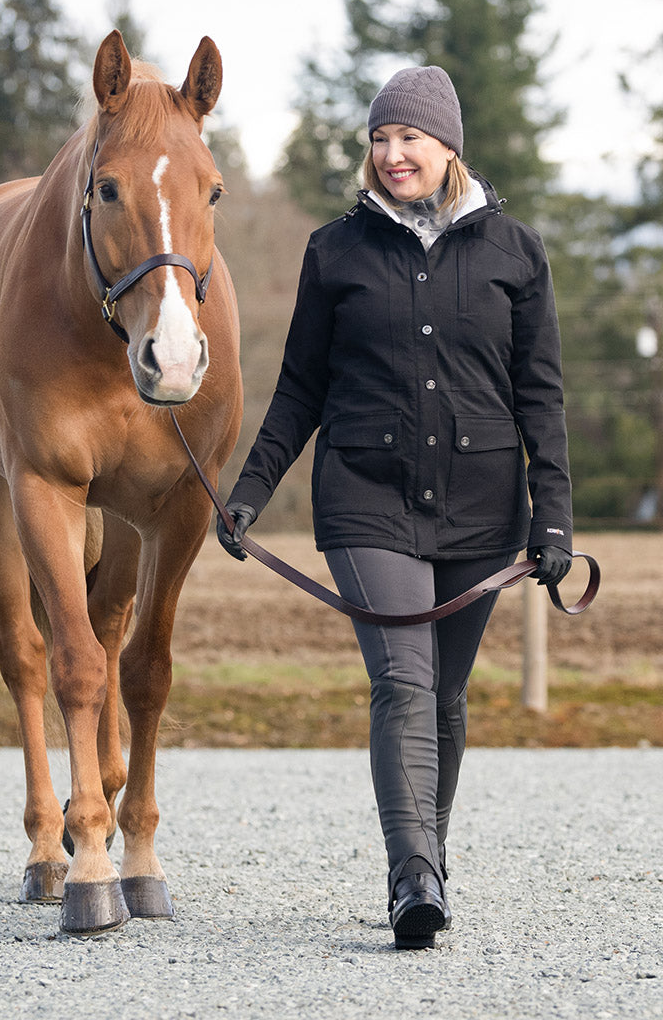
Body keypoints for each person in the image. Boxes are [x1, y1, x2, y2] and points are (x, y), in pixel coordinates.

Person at [217, 65, 573, 950]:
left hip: (484, 505)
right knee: (403, 682)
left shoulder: (514, 253)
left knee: (447, 696)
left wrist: (555, 517)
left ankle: (431, 867)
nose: (391, 153)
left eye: (408, 137)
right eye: (380, 139)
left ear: (448, 144)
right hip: (364, 498)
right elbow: (300, 388)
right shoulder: (335, 252)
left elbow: (541, 397)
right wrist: (252, 489)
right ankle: (410, 875)